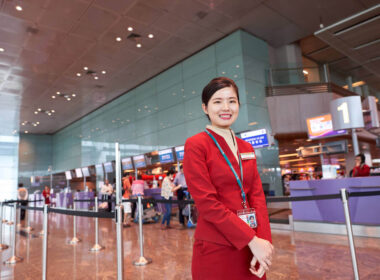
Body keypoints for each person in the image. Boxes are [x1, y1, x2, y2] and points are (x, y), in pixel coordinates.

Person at [183, 77, 274, 279]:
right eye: (217, 101)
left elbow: (257, 197)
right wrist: (252, 239)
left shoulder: (246, 147)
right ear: (205, 108)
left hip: (253, 248)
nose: (226, 107)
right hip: (218, 246)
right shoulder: (196, 145)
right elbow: (207, 203)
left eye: (232, 101)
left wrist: (264, 243)